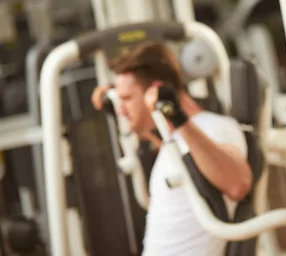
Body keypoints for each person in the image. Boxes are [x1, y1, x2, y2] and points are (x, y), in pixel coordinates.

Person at [91, 42, 252, 256]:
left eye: (127, 98)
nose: (121, 108)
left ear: (156, 92)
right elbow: (187, 164)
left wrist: (174, 115)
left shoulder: (214, 128)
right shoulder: (177, 140)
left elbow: (238, 184)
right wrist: (120, 110)